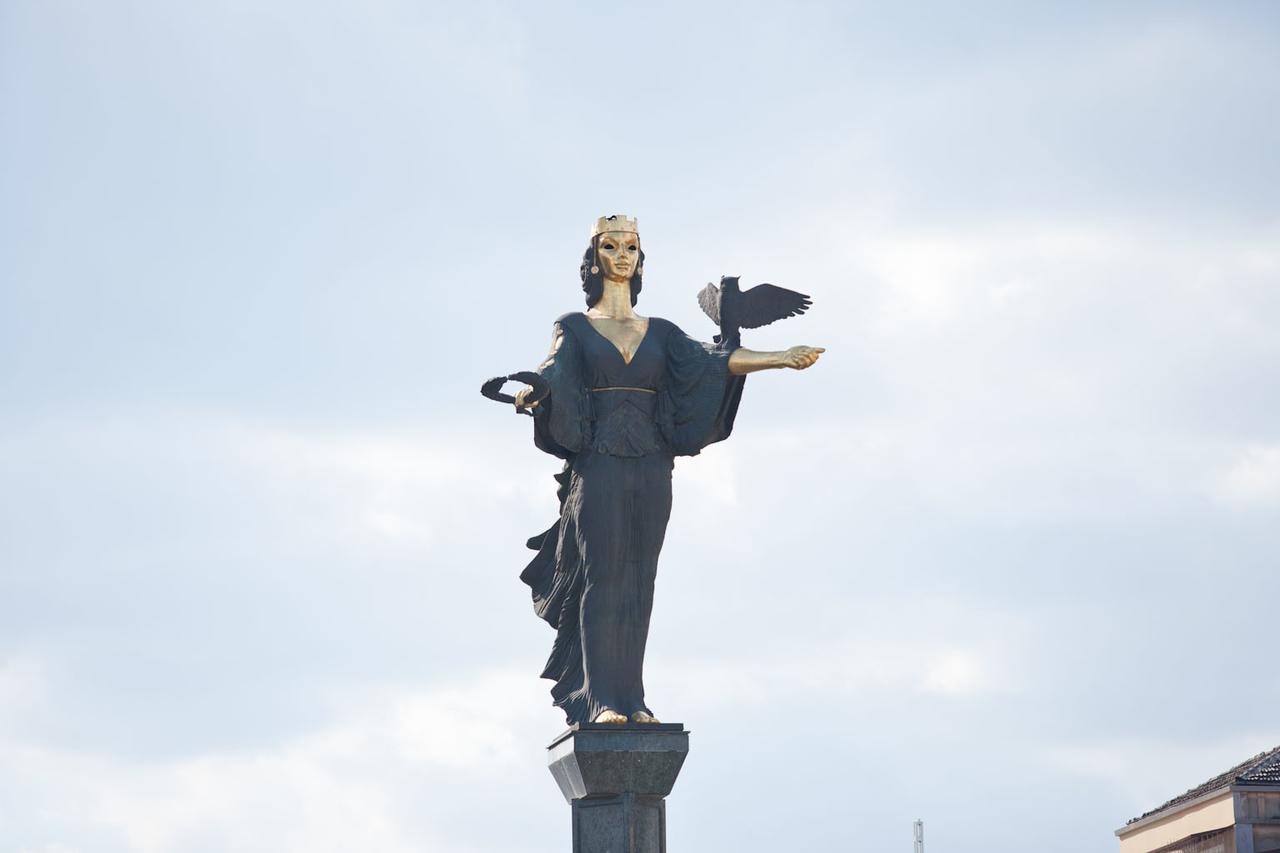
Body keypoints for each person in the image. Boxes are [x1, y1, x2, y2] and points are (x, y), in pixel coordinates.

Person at [515, 215, 823, 725]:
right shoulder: (573, 326)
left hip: (652, 463)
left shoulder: (660, 333)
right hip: (600, 462)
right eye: (611, 247)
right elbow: (553, 370)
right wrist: (534, 392)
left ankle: (632, 701)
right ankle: (601, 700)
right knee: (604, 577)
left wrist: (780, 358)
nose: (622, 255)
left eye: (631, 247)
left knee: (640, 580)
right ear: (594, 259)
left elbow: (713, 361)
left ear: (640, 258)